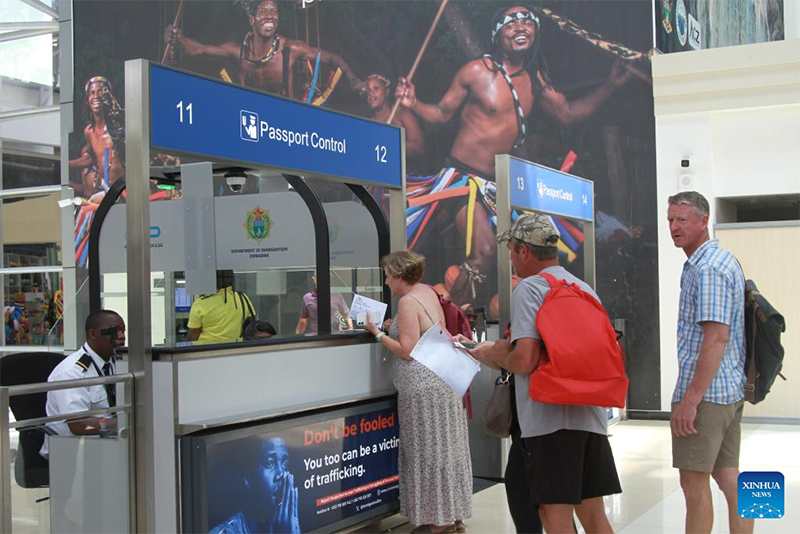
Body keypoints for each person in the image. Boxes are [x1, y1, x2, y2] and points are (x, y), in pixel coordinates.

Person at [396, 4, 632, 306]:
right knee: (482, 252)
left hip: (497, 186)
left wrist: (610, 85)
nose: (520, 27)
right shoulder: (476, 71)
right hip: (460, 179)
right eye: (511, 23)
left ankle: (482, 319)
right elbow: (441, 114)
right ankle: (455, 327)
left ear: (535, 32)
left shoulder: (535, 80)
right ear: (498, 35)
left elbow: (570, 114)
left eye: (527, 22)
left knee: (525, 253)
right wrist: (413, 103)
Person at [464, 214, 620, 534]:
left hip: (548, 422)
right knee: (593, 515)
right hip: (590, 415)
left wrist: (494, 354)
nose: (510, 260)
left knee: (553, 514)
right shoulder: (583, 288)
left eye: (511, 251)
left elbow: (525, 360)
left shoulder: (530, 289)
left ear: (524, 251)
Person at [365, 251, 471, 534]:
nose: (386, 282)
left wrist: (376, 332)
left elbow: (409, 352)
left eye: (388, 276)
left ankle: (437, 524)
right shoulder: (427, 292)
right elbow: (426, 333)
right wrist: (393, 328)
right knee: (446, 451)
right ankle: (451, 516)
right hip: (442, 385)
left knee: (426, 454)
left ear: (400, 276)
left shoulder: (407, 302)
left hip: (423, 391)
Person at [666, 191, 753, 534]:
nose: (674, 226)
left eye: (682, 220)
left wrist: (690, 400)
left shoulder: (708, 269)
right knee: (730, 477)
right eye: (671, 219)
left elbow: (716, 337)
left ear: (703, 221)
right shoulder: (722, 259)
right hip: (728, 391)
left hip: (707, 396)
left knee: (693, 486)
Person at [167, 0, 365, 99]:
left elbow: (332, 58)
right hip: (249, 119)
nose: (270, 15)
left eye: (274, 11)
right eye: (264, 11)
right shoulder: (238, 51)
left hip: (283, 123)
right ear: (252, 20)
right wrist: (178, 38)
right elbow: (199, 50)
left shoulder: (290, 48)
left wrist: (354, 80)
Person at [42, 309, 126, 455]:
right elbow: (78, 425)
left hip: (108, 443)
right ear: (93, 334)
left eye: (123, 330)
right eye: (114, 331)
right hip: (70, 451)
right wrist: (125, 424)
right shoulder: (71, 372)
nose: (121, 337)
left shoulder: (115, 363)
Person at [209, 436, 300, 534]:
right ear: (247, 478)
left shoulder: (292, 525)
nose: (281, 474)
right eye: (269, 463)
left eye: (285, 465)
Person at [68, 77, 125, 197]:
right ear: (87, 99)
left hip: (124, 190)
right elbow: (91, 158)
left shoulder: (119, 128)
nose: (96, 96)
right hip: (106, 191)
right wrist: (66, 164)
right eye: (92, 93)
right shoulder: (89, 132)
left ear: (108, 98)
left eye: (100, 92)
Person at [365, 74, 425, 160]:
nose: (371, 93)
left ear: (387, 92)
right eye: (368, 90)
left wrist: (391, 145)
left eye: (376, 88)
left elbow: (419, 147)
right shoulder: (368, 124)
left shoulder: (402, 114)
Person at [186, 270, 255, 343]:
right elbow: (250, 324)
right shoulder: (243, 297)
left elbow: (193, 335)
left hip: (206, 349)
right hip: (234, 347)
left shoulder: (200, 303)